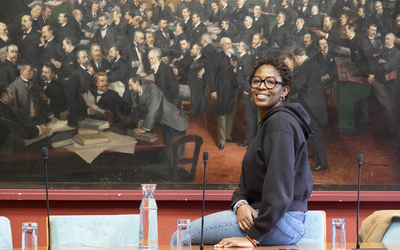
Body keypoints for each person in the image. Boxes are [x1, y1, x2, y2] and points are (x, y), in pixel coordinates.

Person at [170, 57, 313, 246]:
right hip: (272, 217)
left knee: (180, 236)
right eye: (257, 81)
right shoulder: (269, 124)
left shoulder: (279, 124)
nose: (262, 86)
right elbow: (245, 184)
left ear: (284, 90)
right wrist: (241, 204)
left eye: (270, 82)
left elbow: (280, 188)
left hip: (281, 221)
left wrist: (253, 237)